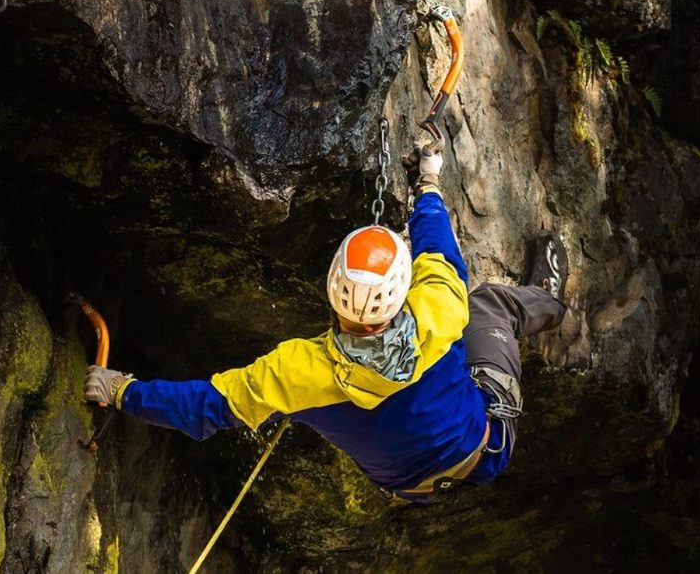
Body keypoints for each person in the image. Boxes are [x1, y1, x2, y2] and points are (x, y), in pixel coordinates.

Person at [85, 146, 568, 501]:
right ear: (402, 293)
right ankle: (550, 299)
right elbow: (439, 251)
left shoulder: (297, 372)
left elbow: (205, 407)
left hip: (406, 487)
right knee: (488, 304)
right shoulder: (437, 311)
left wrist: (121, 390)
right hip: (483, 452)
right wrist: (427, 182)